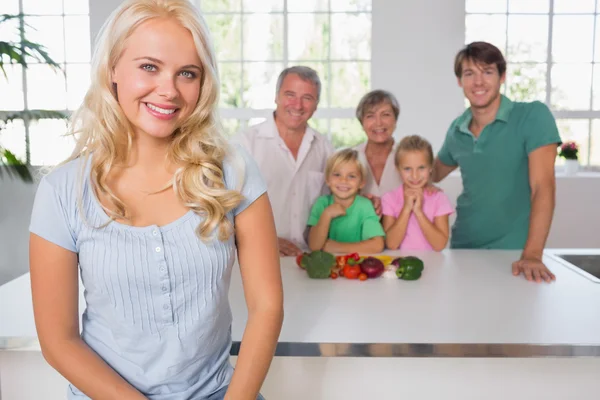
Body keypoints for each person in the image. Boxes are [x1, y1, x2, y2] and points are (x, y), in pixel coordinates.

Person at [28, 1, 283, 399]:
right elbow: (58, 341)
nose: (169, 90)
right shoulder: (61, 192)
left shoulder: (234, 172)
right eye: (149, 66)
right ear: (112, 69)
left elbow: (267, 308)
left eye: (187, 73)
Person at [432, 41, 561, 283]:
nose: (478, 82)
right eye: (469, 74)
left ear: (502, 76)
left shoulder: (532, 116)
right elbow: (431, 173)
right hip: (462, 248)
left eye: (487, 72)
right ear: (460, 81)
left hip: (515, 253)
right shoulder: (457, 128)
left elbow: (543, 186)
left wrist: (532, 254)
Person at [233, 66, 334, 256]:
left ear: (316, 104)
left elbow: (335, 198)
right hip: (257, 254)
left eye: (307, 98)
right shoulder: (244, 143)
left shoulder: (325, 148)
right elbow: (223, 206)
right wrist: (266, 240)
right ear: (276, 96)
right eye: (290, 94)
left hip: (308, 258)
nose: (297, 105)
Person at [382, 135, 454, 251]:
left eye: (421, 168)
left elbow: (440, 245)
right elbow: (391, 244)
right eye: (407, 169)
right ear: (398, 168)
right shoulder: (389, 198)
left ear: (431, 167)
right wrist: (406, 208)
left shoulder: (439, 198)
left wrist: (418, 211)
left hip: (434, 264)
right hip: (401, 264)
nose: (415, 176)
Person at [307, 149, 385, 254]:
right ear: (327, 179)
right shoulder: (322, 203)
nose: (343, 180)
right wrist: (327, 214)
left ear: (362, 183)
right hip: (328, 267)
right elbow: (314, 246)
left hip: (356, 267)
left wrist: (338, 247)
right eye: (337, 174)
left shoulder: (365, 205)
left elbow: (377, 245)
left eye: (351, 176)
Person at [353, 89, 403, 197]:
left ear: (395, 120)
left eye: (385, 115)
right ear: (362, 123)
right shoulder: (351, 157)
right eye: (370, 116)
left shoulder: (409, 156)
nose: (379, 122)